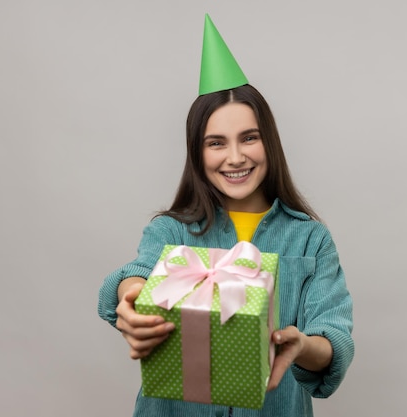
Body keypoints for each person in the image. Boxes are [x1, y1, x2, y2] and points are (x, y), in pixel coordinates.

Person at [98, 14, 354, 417]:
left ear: (268, 142)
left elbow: (334, 336)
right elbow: (140, 272)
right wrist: (132, 297)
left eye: (249, 138)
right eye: (216, 143)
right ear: (198, 155)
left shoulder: (310, 240)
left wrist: (303, 346)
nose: (235, 157)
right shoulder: (171, 230)